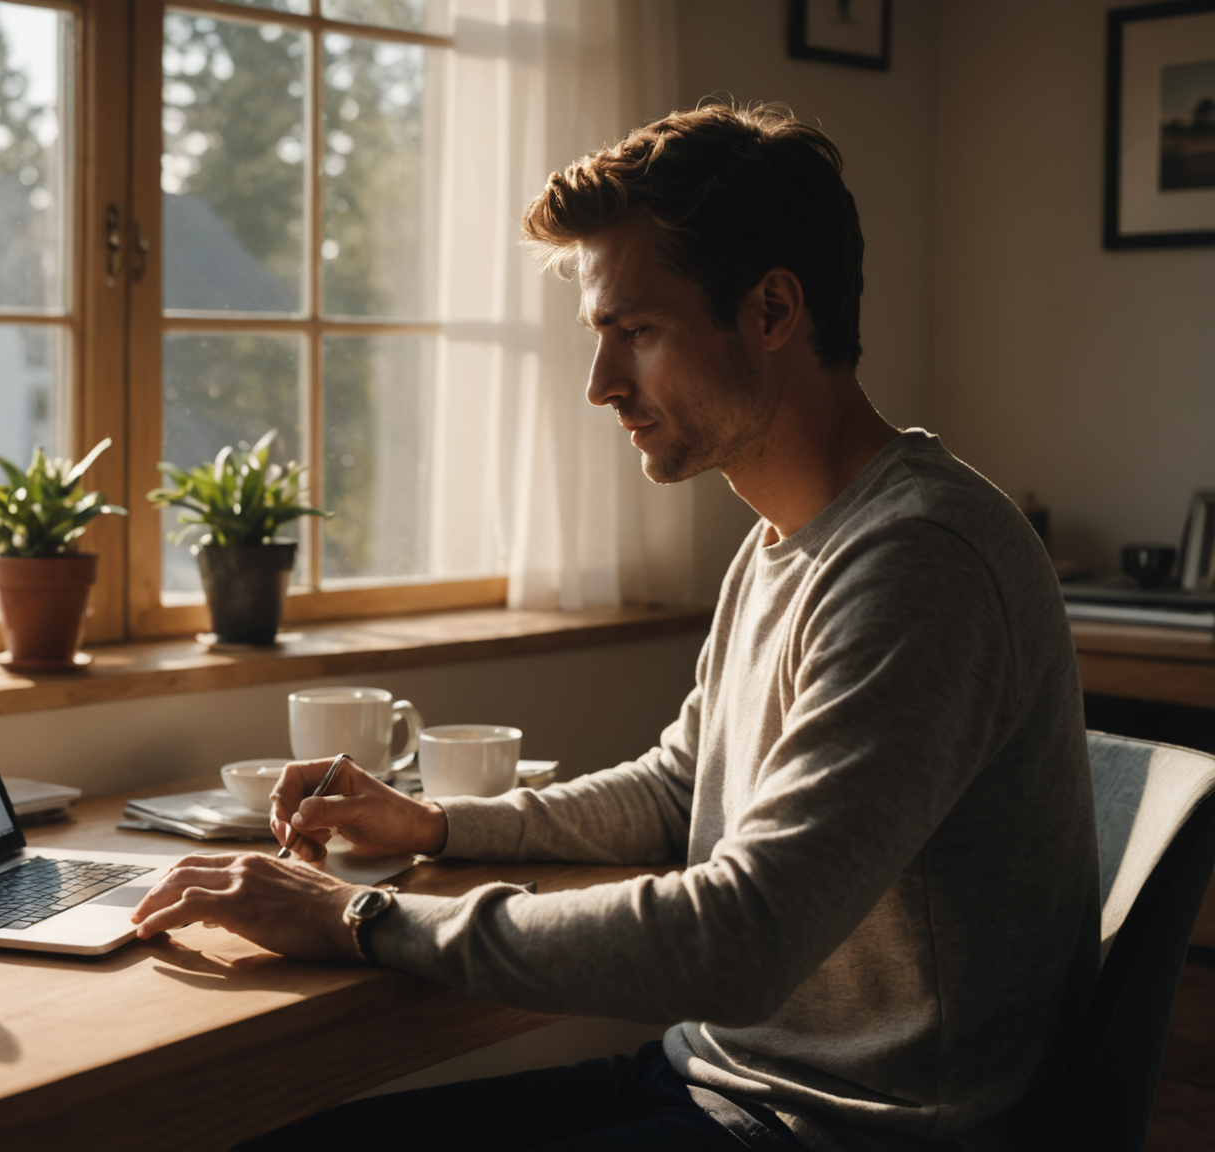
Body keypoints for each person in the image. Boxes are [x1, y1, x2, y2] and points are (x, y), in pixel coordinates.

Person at [129, 103, 1097, 1152]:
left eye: (635, 333)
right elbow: (681, 786)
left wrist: (357, 919)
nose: (600, 386)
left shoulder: (920, 560)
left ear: (773, 309)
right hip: (720, 1079)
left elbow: (741, 936)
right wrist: (438, 827)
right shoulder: (790, 537)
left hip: (846, 1132)